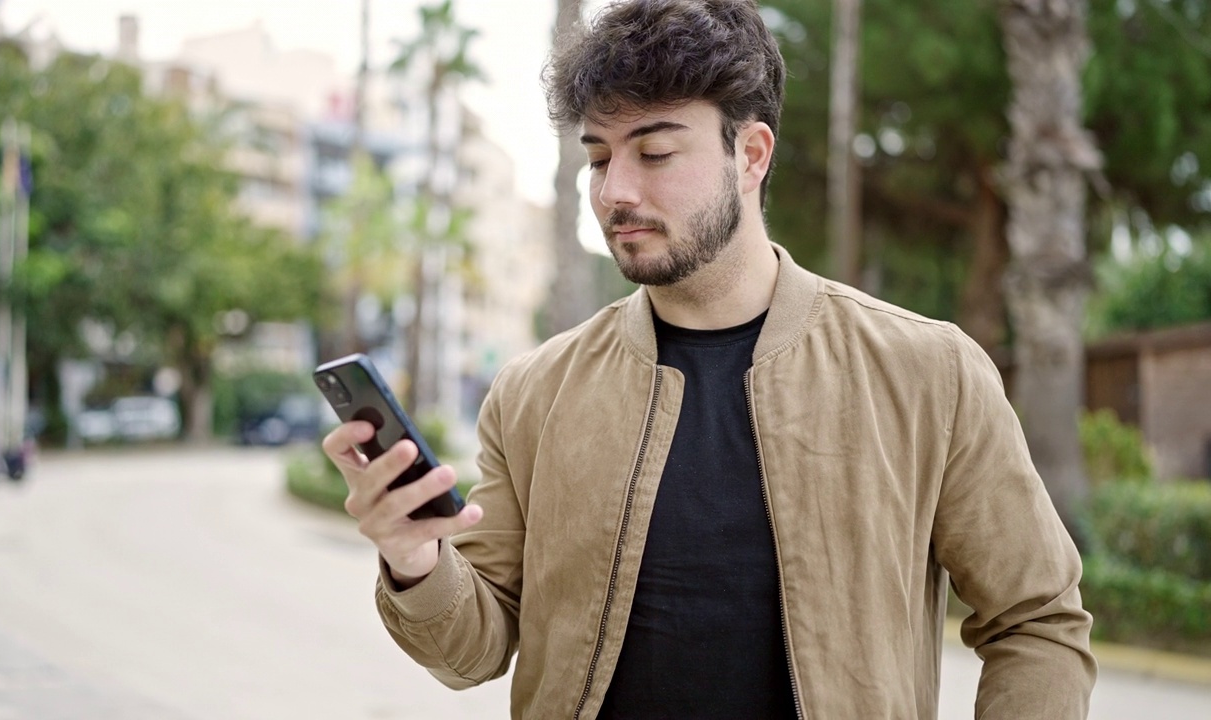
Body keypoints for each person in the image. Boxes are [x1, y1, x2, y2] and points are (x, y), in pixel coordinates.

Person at [322, 0, 1097, 717]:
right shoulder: (535, 391)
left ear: (751, 153)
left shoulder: (930, 374)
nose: (615, 190)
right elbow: (476, 647)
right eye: (598, 157)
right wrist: (415, 560)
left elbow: (1036, 620)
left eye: (655, 151)